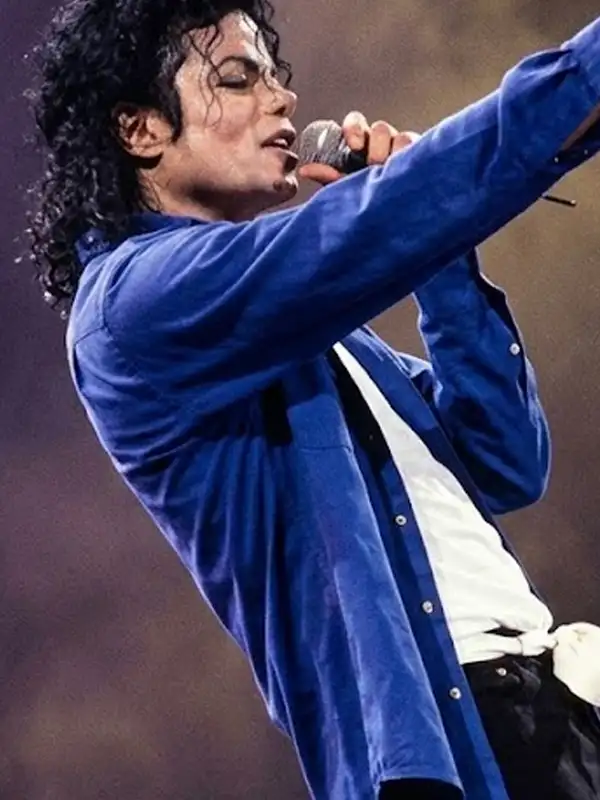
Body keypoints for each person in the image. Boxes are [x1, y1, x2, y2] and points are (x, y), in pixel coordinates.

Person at [27, 0, 600, 797]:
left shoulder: (327, 342)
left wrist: (441, 259)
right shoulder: (133, 306)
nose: (283, 98)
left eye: (276, 76)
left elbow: (506, 460)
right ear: (141, 129)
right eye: (239, 78)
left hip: (560, 716)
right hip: (465, 734)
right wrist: (579, 79)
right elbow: (367, 226)